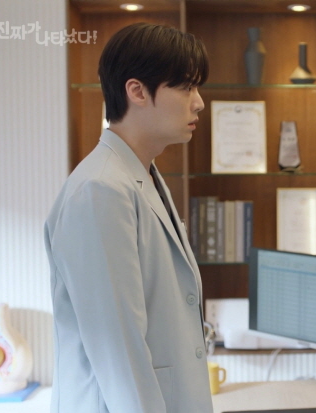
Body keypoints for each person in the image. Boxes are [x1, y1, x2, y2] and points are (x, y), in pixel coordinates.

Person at [44, 23, 213, 413]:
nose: (199, 103)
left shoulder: (140, 175)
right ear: (137, 91)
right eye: (186, 87)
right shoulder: (100, 190)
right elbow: (119, 354)